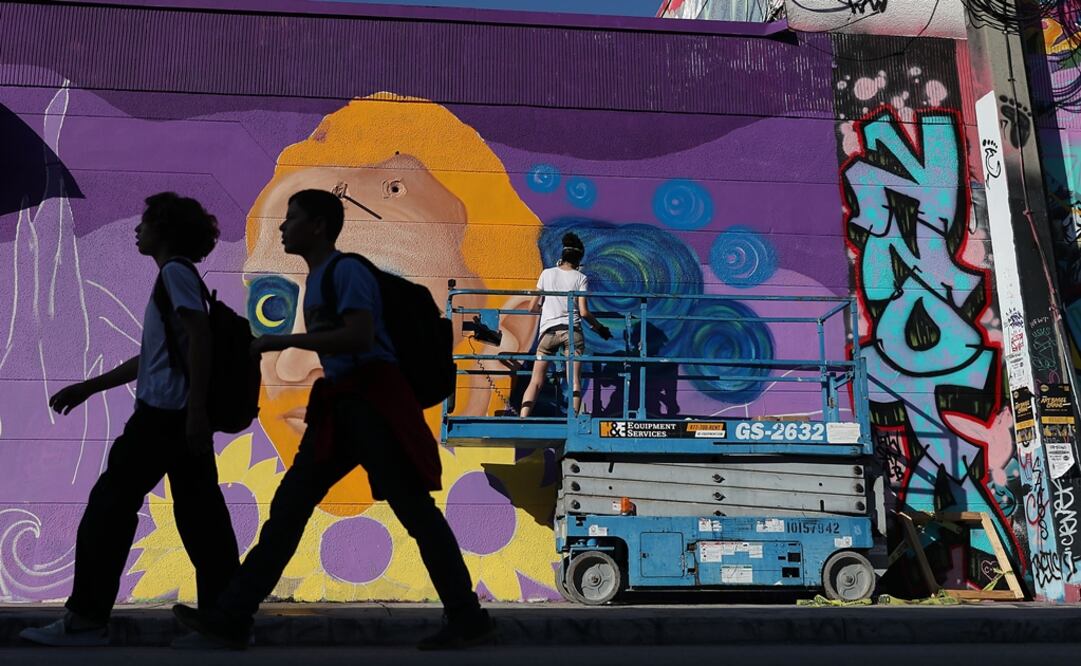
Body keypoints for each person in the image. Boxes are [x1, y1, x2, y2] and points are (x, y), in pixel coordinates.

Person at [173, 189, 495, 650]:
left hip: (371, 406)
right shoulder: (321, 276)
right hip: (342, 408)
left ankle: (467, 617)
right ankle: (232, 615)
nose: (283, 227)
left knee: (414, 512)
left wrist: (282, 341)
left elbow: (360, 336)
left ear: (318, 226)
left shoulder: (346, 272)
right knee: (290, 508)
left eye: (292, 218)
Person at [19, 193, 239, 647]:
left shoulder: (175, 274)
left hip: (163, 420)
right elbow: (155, 357)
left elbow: (200, 338)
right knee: (203, 521)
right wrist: (90, 387)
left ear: (165, 230)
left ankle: (86, 621)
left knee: (108, 511)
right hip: (178, 419)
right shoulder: (179, 277)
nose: (137, 229)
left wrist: (196, 413)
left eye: (146, 222)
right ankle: (227, 622)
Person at [519, 232, 611, 417]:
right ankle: (574, 420)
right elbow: (584, 312)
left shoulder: (546, 274)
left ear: (563, 255)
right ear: (578, 259)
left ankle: (522, 418)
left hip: (548, 333)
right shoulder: (580, 278)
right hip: (572, 332)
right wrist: (600, 328)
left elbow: (532, 307)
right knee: (574, 380)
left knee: (536, 381)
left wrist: (545, 309)